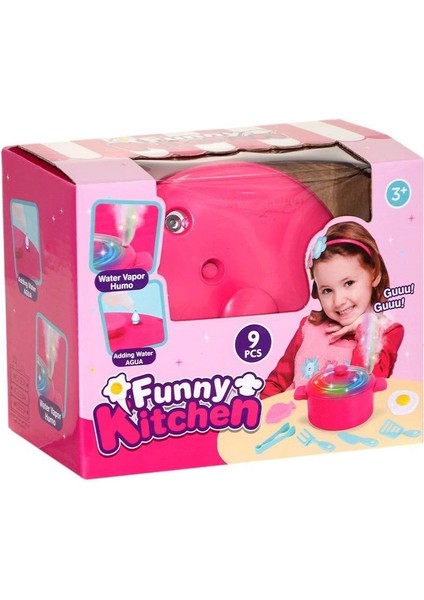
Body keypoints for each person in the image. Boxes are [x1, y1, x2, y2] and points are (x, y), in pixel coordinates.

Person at [261, 221, 404, 399]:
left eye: (349, 283)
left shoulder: (386, 332)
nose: (338, 301)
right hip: (297, 417)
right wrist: (264, 413)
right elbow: (275, 384)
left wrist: (365, 328)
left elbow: (368, 386)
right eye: (327, 290)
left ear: (374, 275)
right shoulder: (308, 327)